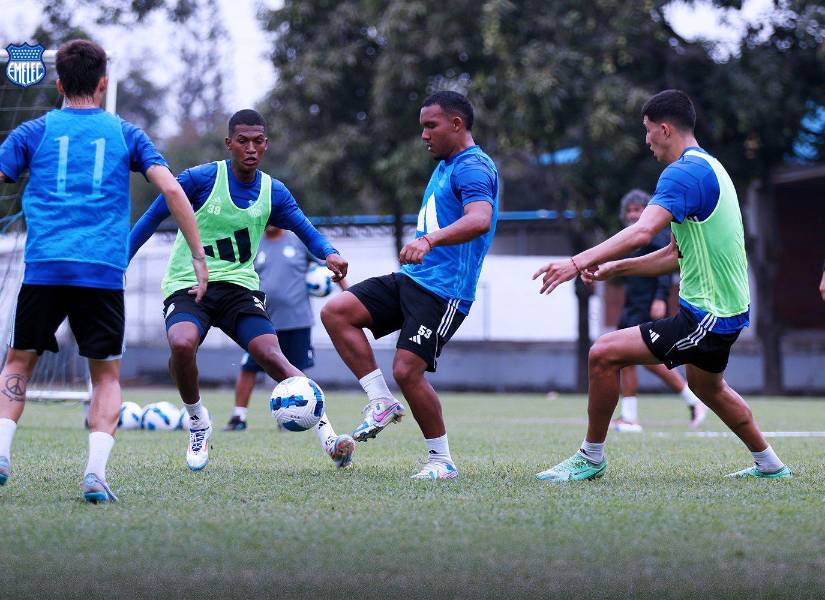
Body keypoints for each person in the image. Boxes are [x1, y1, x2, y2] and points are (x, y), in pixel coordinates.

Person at [533, 89, 791, 481]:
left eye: (648, 131)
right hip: (722, 311)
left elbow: (643, 231)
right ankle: (771, 464)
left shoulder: (683, 173)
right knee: (709, 389)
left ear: (665, 129)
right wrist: (616, 267)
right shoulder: (711, 168)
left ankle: (591, 457)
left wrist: (577, 261)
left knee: (603, 353)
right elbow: (674, 254)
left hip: (708, 315)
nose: (647, 140)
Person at [0, 39, 207, 503]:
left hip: (45, 267)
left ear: (57, 82)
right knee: (107, 377)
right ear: (103, 83)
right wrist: (197, 255)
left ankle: (1, 454)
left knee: (17, 363)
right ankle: (94, 474)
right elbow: (173, 191)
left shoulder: (32, 132)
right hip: (101, 271)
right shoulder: (126, 134)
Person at [129, 109, 354, 471]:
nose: (251, 148)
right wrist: (120, 260)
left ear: (266, 145)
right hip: (189, 284)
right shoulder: (199, 180)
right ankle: (198, 421)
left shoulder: (273, 191)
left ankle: (329, 438)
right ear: (229, 144)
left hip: (239, 287)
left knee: (274, 357)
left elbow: (305, 228)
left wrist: (329, 252)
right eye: (243, 141)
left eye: (258, 141)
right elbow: (151, 218)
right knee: (183, 344)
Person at [321, 91, 498, 480]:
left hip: (444, 292)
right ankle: (380, 402)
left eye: (430, 125)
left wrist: (428, 240)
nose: (423, 135)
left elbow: (480, 218)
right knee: (337, 311)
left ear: (457, 124)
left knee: (407, 370)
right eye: (422, 127)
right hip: (413, 280)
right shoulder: (446, 164)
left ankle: (442, 461)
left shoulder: (472, 166)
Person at [224, 225, 347, 432]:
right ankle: (239, 417)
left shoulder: (298, 240)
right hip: (262, 321)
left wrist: (348, 294)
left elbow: (332, 265)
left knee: (295, 371)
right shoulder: (253, 243)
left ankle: (292, 417)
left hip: (297, 320)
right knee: (249, 368)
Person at [610, 189, 707, 432]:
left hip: (647, 306)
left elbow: (665, 266)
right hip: (631, 305)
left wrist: (660, 298)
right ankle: (629, 417)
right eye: (629, 210)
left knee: (650, 362)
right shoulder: (630, 238)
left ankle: (693, 401)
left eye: (637, 209)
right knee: (624, 360)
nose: (633, 214)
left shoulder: (654, 235)